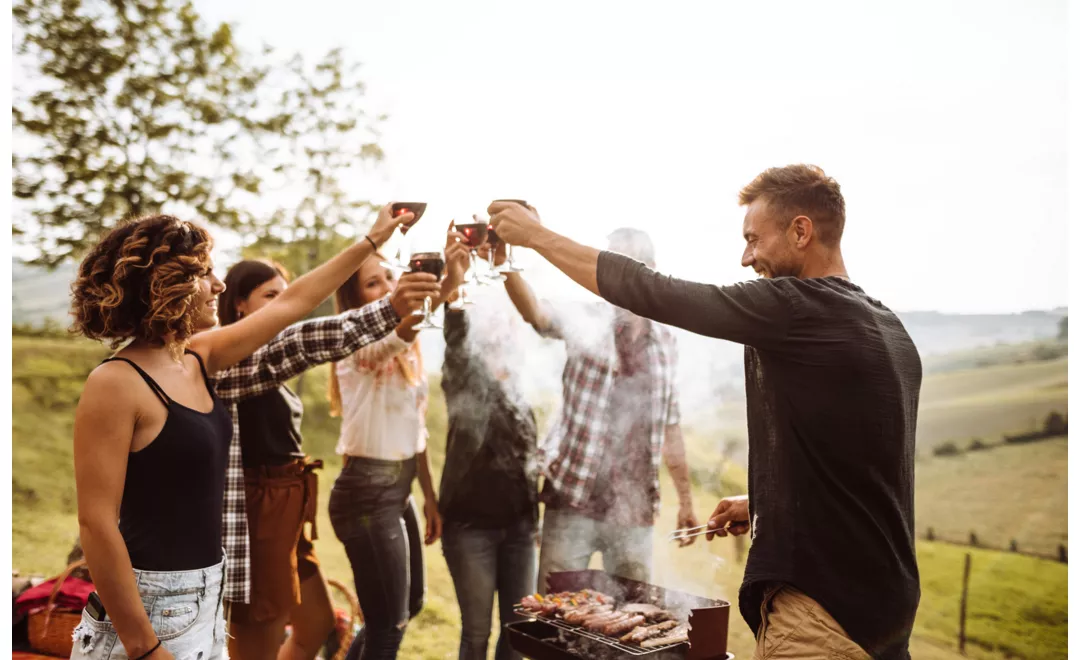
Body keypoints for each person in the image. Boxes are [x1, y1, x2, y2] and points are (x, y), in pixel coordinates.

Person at [487, 164, 922, 660]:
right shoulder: (888, 328)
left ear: (801, 231)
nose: (746, 257)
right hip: (886, 607)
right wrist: (765, 504)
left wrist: (537, 236)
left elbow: (653, 292)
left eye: (754, 239)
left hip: (820, 612)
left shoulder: (796, 308)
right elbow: (859, 472)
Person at [69, 206, 435, 660]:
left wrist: (373, 240)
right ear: (164, 283)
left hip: (205, 602)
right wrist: (144, 647)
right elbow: (96, 523)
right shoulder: (114, 383)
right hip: (145, 615)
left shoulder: (198, 357)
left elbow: (293, 305)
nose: (219, 286)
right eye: (204, 273)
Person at [214, 258, 435, 660]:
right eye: (272, 296)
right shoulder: (231, 360)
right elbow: (318, 343)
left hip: (290, 506)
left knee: (316, 623)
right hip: (261, 508)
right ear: (239, 305)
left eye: (289, 294)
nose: (287, 304)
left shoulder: (269, 360)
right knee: (262, 629)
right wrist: (371, 245)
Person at [497, 221, 699, 593]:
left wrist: (686, 501)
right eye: (612, 262)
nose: (620, 273)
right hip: (573, 499)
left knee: (630, 622)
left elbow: (670, 424)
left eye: (631, 262)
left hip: (635, 512)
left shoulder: (666, 340)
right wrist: (503, 263)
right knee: (554, 619)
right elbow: (536, 314)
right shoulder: (585, 319)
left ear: (650, 269)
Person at [327, 231, 470, 660]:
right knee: (388, 627)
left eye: (391, 276)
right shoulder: (352, 341)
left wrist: (427, 495)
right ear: (354, 299)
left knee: (407, 607)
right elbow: (396, 335)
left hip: (398, 487)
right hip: (366, 492)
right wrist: (447, 284)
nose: (389, 288)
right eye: (374, 282)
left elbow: (415, 428)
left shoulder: (410, 350)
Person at [438, 240, 540, 660]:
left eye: (509, 323)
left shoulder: (520, 387)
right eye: (495, 322)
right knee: (477, 633)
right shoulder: (465, 375)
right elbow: (456, 333)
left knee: (518, 634)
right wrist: (456, 279)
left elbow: (528, 460)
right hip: (471, 528)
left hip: (520, 530)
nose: (504, 329)